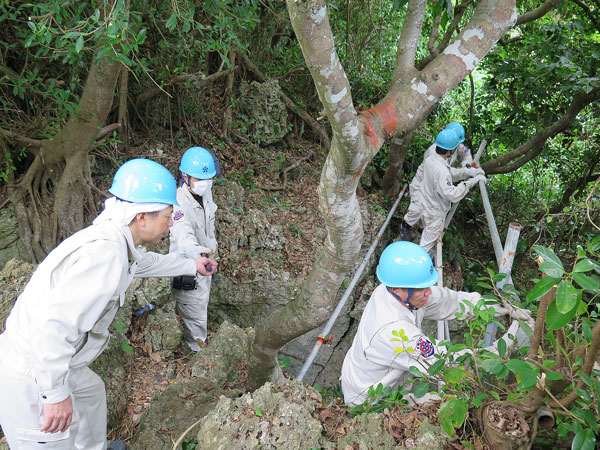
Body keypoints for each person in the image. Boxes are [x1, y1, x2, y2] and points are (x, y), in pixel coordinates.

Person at [0, 158, 217, 450]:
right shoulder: (103, 256)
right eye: (167, 216)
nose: (171, 223)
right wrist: (53, 395)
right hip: (33, 373)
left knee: (91, 393)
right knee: (53, 439)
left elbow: (145, 263)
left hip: (60, 361)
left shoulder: (117, 240)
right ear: (142, 217)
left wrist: (192, 264)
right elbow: (52, 326)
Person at [340, 241, 532, 407]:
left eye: (428, 286)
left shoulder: (395, 290)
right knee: (442, 406)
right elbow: (444, 362)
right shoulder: (393, 332)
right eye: (422, 289)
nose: (429, 293)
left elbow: (449, 301)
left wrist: (498, 306)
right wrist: (501, 349)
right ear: (398, 289)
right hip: (368, 398)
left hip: (368, 373)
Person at [169, 146, 219, 351]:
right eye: (199, 179)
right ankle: (198, 356)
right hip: (189, 268)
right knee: (195, 316)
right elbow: (183, 233)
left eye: (209, 179)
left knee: (201, 309)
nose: (205, 183)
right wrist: (196, 253)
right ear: (185, 176)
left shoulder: (205, 193)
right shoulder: (178, 203)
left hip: (206, 264)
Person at [399, 122, 475, 242]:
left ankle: (423, 229)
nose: (460, 145)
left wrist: (467, 164)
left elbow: (466, 151)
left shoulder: (457, 145)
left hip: (438, 183)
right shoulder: (433, 152)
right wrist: (465, 173)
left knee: (430, 212)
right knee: (417, 208)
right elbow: (448, 173)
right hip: (424, 182)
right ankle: (405, 225)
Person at [418, 128, 485, 253]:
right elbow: (451, 193)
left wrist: (468, 168)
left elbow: (465, 151)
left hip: (426, 205)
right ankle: (418, 269)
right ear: (451, 150)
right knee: (425, 247)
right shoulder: (442, 170)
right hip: (434, 212)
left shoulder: (430, 159)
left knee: (427, 238)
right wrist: (471, 181)